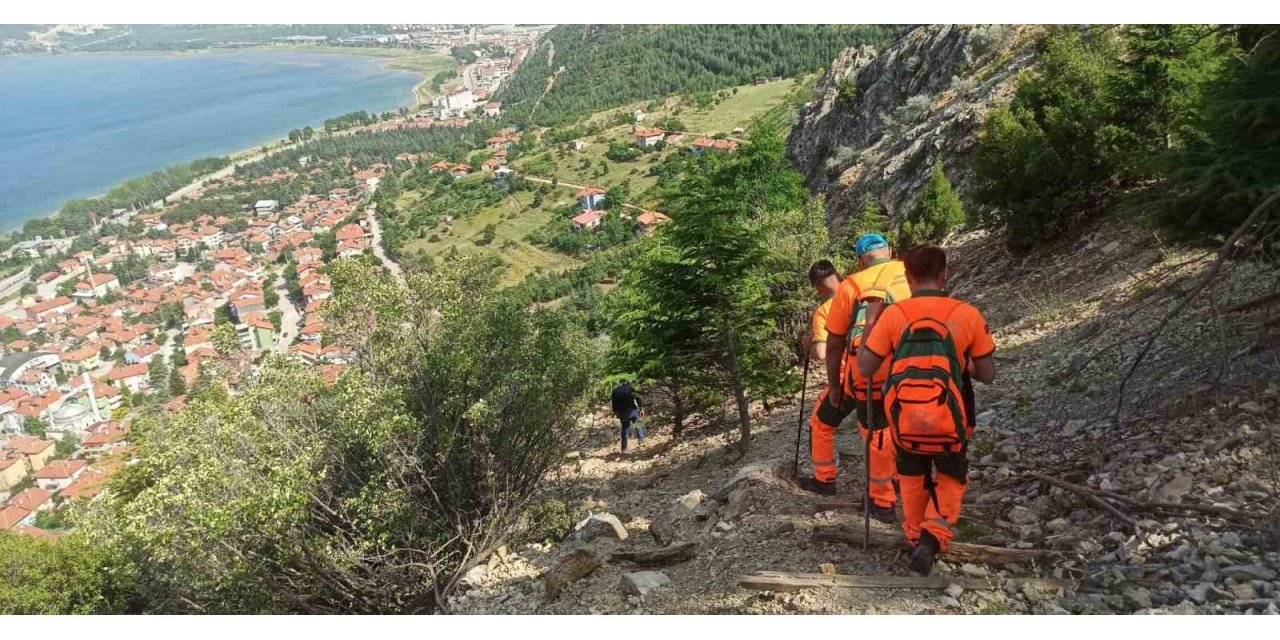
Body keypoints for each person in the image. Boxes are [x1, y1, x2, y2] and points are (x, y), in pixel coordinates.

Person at [857, 245, 996, 576]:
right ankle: (933, 536)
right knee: (950, 476)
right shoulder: (967, 314)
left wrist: (870, 326)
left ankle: (915, 536)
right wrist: (961, 360)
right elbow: (988, 374)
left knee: (912, 478)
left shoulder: (894, 315)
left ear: (908, 276)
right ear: (944, 273)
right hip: (954, 415)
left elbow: (865, 368)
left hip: (904, 419)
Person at [802, 234, 911, 526]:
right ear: (889, 250)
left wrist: (835, 385)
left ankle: (877, 499)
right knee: (897, 428)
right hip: (914, 367)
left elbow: (829, 348)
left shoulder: (853, 288)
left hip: (865, 373)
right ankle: (903, 484)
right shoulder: (911, 273)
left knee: (871, 433)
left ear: (860, 260)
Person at [611, 381, 645, 453]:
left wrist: (616, 412)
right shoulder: (630, 389)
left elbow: (614, 403)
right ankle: (641, 440)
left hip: (623, 412)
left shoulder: (615, 391)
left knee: (625, 428)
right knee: (638, 424)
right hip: (633, 410)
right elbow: (638, 398)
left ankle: (624, 448)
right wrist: (641, 408)